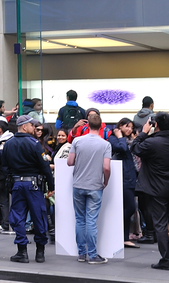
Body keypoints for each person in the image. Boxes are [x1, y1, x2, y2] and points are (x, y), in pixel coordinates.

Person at [132, 111, 169, 270]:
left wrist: (143, 132)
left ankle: (165, 259)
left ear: (154, 125)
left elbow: (135, 148)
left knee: (161, 225)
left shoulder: (151, 143)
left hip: (155, 189)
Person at [3, 115, 53, 263]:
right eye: (32, 125)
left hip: (17, 184)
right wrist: (50, 187)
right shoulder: (34, 144)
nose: (34, 128)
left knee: (18, 218)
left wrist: (12, 181)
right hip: (34, 185)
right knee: (39, 217)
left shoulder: (8, 144)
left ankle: (22, 251)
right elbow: (45, 167)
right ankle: (40, 252)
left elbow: (5, 167)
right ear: (24, 127)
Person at [68, 109, 112, 264]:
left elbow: (69, 162)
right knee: (91, 221)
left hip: (78, 184)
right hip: (95, 185)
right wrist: (105, 181)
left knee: (80, 220)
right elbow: (106, 167)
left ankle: (82, 253)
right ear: (101, 127)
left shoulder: (77, 141)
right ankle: (93, 255)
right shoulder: (105, 144)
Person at [108, 118, 138, 247]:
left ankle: (124, 237)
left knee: (127, 207)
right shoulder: (113, 138)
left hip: (130, 176)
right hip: (121, 177)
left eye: (131, 127)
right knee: (130, 207)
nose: (129, 129)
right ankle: (116, 231)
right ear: (119, 126)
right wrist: (120, 137)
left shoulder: (130, 139)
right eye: (127, 126)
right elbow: (122, 148)